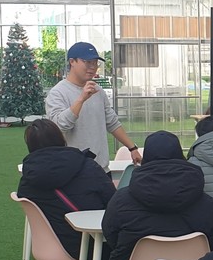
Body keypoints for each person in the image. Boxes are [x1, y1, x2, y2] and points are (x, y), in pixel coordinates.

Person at [101, 130, 213, 260]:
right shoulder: (206, 203)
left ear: (146, 159)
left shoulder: (121, 200)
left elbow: (110, 234)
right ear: (181, 156)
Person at [16, 118, 115, 260]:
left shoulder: (28, 179)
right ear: (60, 138)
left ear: (30, 145)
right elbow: (113, 202)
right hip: (96, 247)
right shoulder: (88, 166)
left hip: (49, 248)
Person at [45, 41, 141, 171]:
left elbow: (112, 123)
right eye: (88, 62)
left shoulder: (97, 90)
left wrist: (132, 148)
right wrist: (81, 99)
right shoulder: (58, 93)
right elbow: (59, 126)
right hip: (74, 171)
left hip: (102, 169)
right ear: (72, 62)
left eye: (95, 63)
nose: (92, 67)